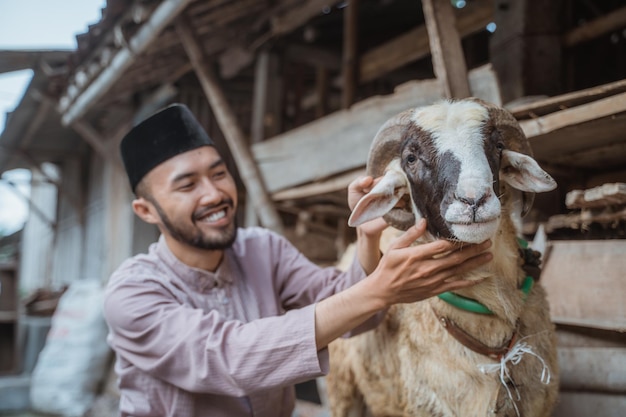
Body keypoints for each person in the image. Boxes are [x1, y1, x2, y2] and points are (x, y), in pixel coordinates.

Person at [103, 103, 492, 417]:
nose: (214, 194)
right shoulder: (132, 294)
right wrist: (378, 291)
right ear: (146, 210)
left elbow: (352, 310)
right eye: (187, 185)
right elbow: (232, 360)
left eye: (219, 174)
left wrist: (367, 236)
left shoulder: (261, 249)